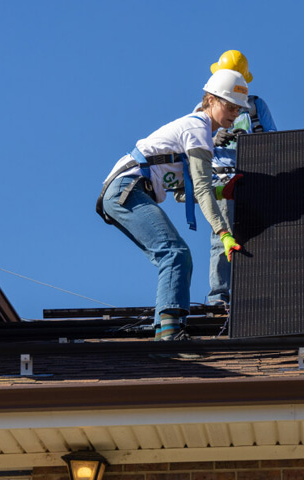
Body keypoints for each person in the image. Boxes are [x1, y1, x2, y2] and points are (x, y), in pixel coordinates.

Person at [97, 70, 247, 341]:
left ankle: (164, 328)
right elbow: (200, 189)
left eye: (238, 108)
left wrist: (221, 190)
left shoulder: (199, 132)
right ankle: (170, 334)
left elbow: (184, 192)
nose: (234, 113)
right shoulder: (198, 128)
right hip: (127, 189)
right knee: (175, 253)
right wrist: (224, 233)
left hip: (123, 190)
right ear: (210, 100)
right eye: (229, 105)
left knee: (172, 255)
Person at [206, 50, 278, 307]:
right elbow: (193, 145)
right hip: (222, 180)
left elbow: (273, 138)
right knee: (223, 236)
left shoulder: (256, 105)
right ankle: (219, 296)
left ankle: (257, 291)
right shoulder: (205, 109)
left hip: (254, 176)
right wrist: (214, 139)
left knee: (260, 234)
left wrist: (251, 141)